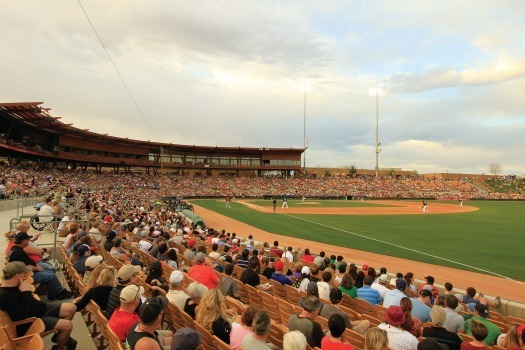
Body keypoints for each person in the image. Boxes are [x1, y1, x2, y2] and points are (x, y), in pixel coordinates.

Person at [0, 262, 77, 350]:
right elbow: (21, 315)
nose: (26, 276)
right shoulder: (4, 296)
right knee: (67, 325)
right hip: (31, 320)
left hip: (39, 308)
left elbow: (30, 301)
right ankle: (60, 347)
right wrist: (26, 293)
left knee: (72, 308)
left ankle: (59, 335)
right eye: (24, 274)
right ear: (17, 276)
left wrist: (28, 294)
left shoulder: (16, 285)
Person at [8, 231, 73, 300]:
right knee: (51, 276)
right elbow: (25, 268)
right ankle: (57, 294)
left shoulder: (16, 249)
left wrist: (36, 266)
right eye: (28, 239)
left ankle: (54, 292)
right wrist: (37, 268)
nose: (29, 241)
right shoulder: (17, 252)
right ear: (23, 241)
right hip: (25, 275)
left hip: (27, 272)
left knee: (50, 272)